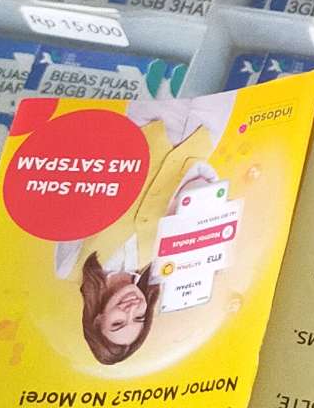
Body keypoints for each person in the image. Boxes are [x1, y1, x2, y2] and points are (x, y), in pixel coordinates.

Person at [53, 99, 221, 366]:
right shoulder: (162, 267)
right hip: (206, 129)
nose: (132, 309)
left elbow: (78, 188)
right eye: (140, 318)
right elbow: (203, 189)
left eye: (118, 322)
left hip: (145, 121)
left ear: (97, 319)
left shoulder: (70, 267)